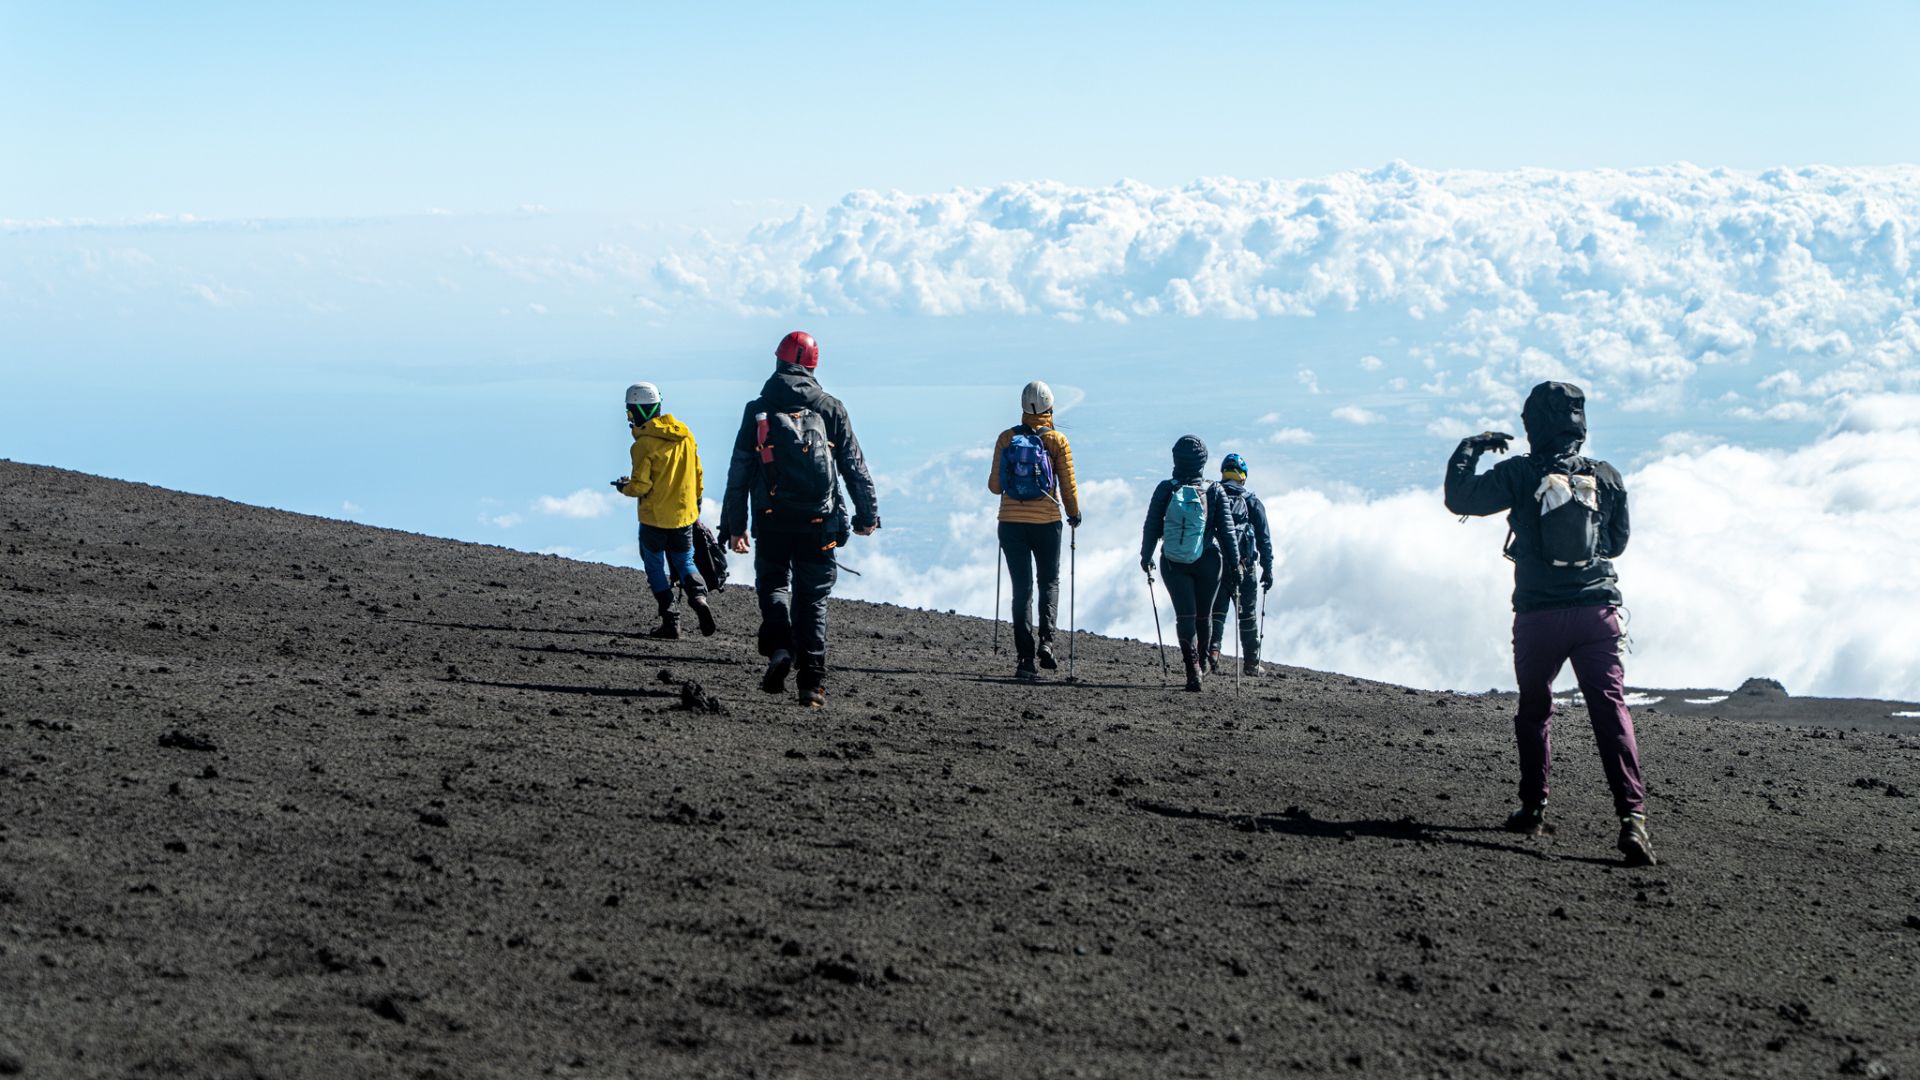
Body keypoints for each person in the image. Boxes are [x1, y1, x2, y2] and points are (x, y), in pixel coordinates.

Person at [1443, 380, 1654, 866]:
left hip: (1538, 615)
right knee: (1610, 710)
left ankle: (1533, 806)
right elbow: (1617, 542)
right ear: (1580, 424)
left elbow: (1460, 498)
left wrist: (1470, 447)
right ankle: (1633, 820)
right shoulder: (1607, 476)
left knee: (1535, 709)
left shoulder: (1520, 473)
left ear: (1533, 426)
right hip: (1597, 613)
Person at [719, 331, 880, 708]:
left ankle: (779, 647)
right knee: (812, 599)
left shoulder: (757, 409)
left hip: (771, 518)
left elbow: (739, 470)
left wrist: (735, 525)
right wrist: (867, 515)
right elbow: (854, 467)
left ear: (778, 362)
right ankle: (812, 683)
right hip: (819, 523)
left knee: (774, 584)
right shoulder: (831, 408)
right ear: (812, 365)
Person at [986, 380, 1082, 682]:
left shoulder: (1006, 438)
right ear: (1050, 408)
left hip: (1011, 523)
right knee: (1049, 582)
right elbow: (1068, 487)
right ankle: (1047, 642)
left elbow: (994, 487)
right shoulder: (1057, 441)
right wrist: (1074, 514)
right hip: (1047, 522)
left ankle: (1025, 660)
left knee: (1021, 591)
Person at [612, 382, 715, 639]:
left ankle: (671, 621)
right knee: (686, 561)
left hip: (654, 520)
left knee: (655, 566)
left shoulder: (643, 445)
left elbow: (642, 485)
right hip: (683, 516)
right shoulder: (686, 436)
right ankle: (700, 599)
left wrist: (625, 488)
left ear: (636, 411)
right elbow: (698, 474)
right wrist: (696, 504)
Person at [1140, 435, 1241, 692]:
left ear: (1176, 460)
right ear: (1203, 462)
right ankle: (1205, 660)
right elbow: (1226, 532)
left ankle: (1192, 668)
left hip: (1174, 562)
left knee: (1184, 616)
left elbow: (1152, 525)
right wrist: (1235, 564)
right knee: (1203, 616)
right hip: (1208, 561)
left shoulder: (1166, 489)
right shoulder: (1214, 490)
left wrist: (1146, 555)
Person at [1207, 453, 1275, 676]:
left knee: (1216, 612)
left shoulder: (1213, 496)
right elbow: (1264, 538)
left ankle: (1212, 656)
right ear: (1243, 476)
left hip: (1216, 565)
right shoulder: (1252, 501)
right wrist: (1268, 568)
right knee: (1247, 616)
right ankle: (1251, 665)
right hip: (1245, 568)